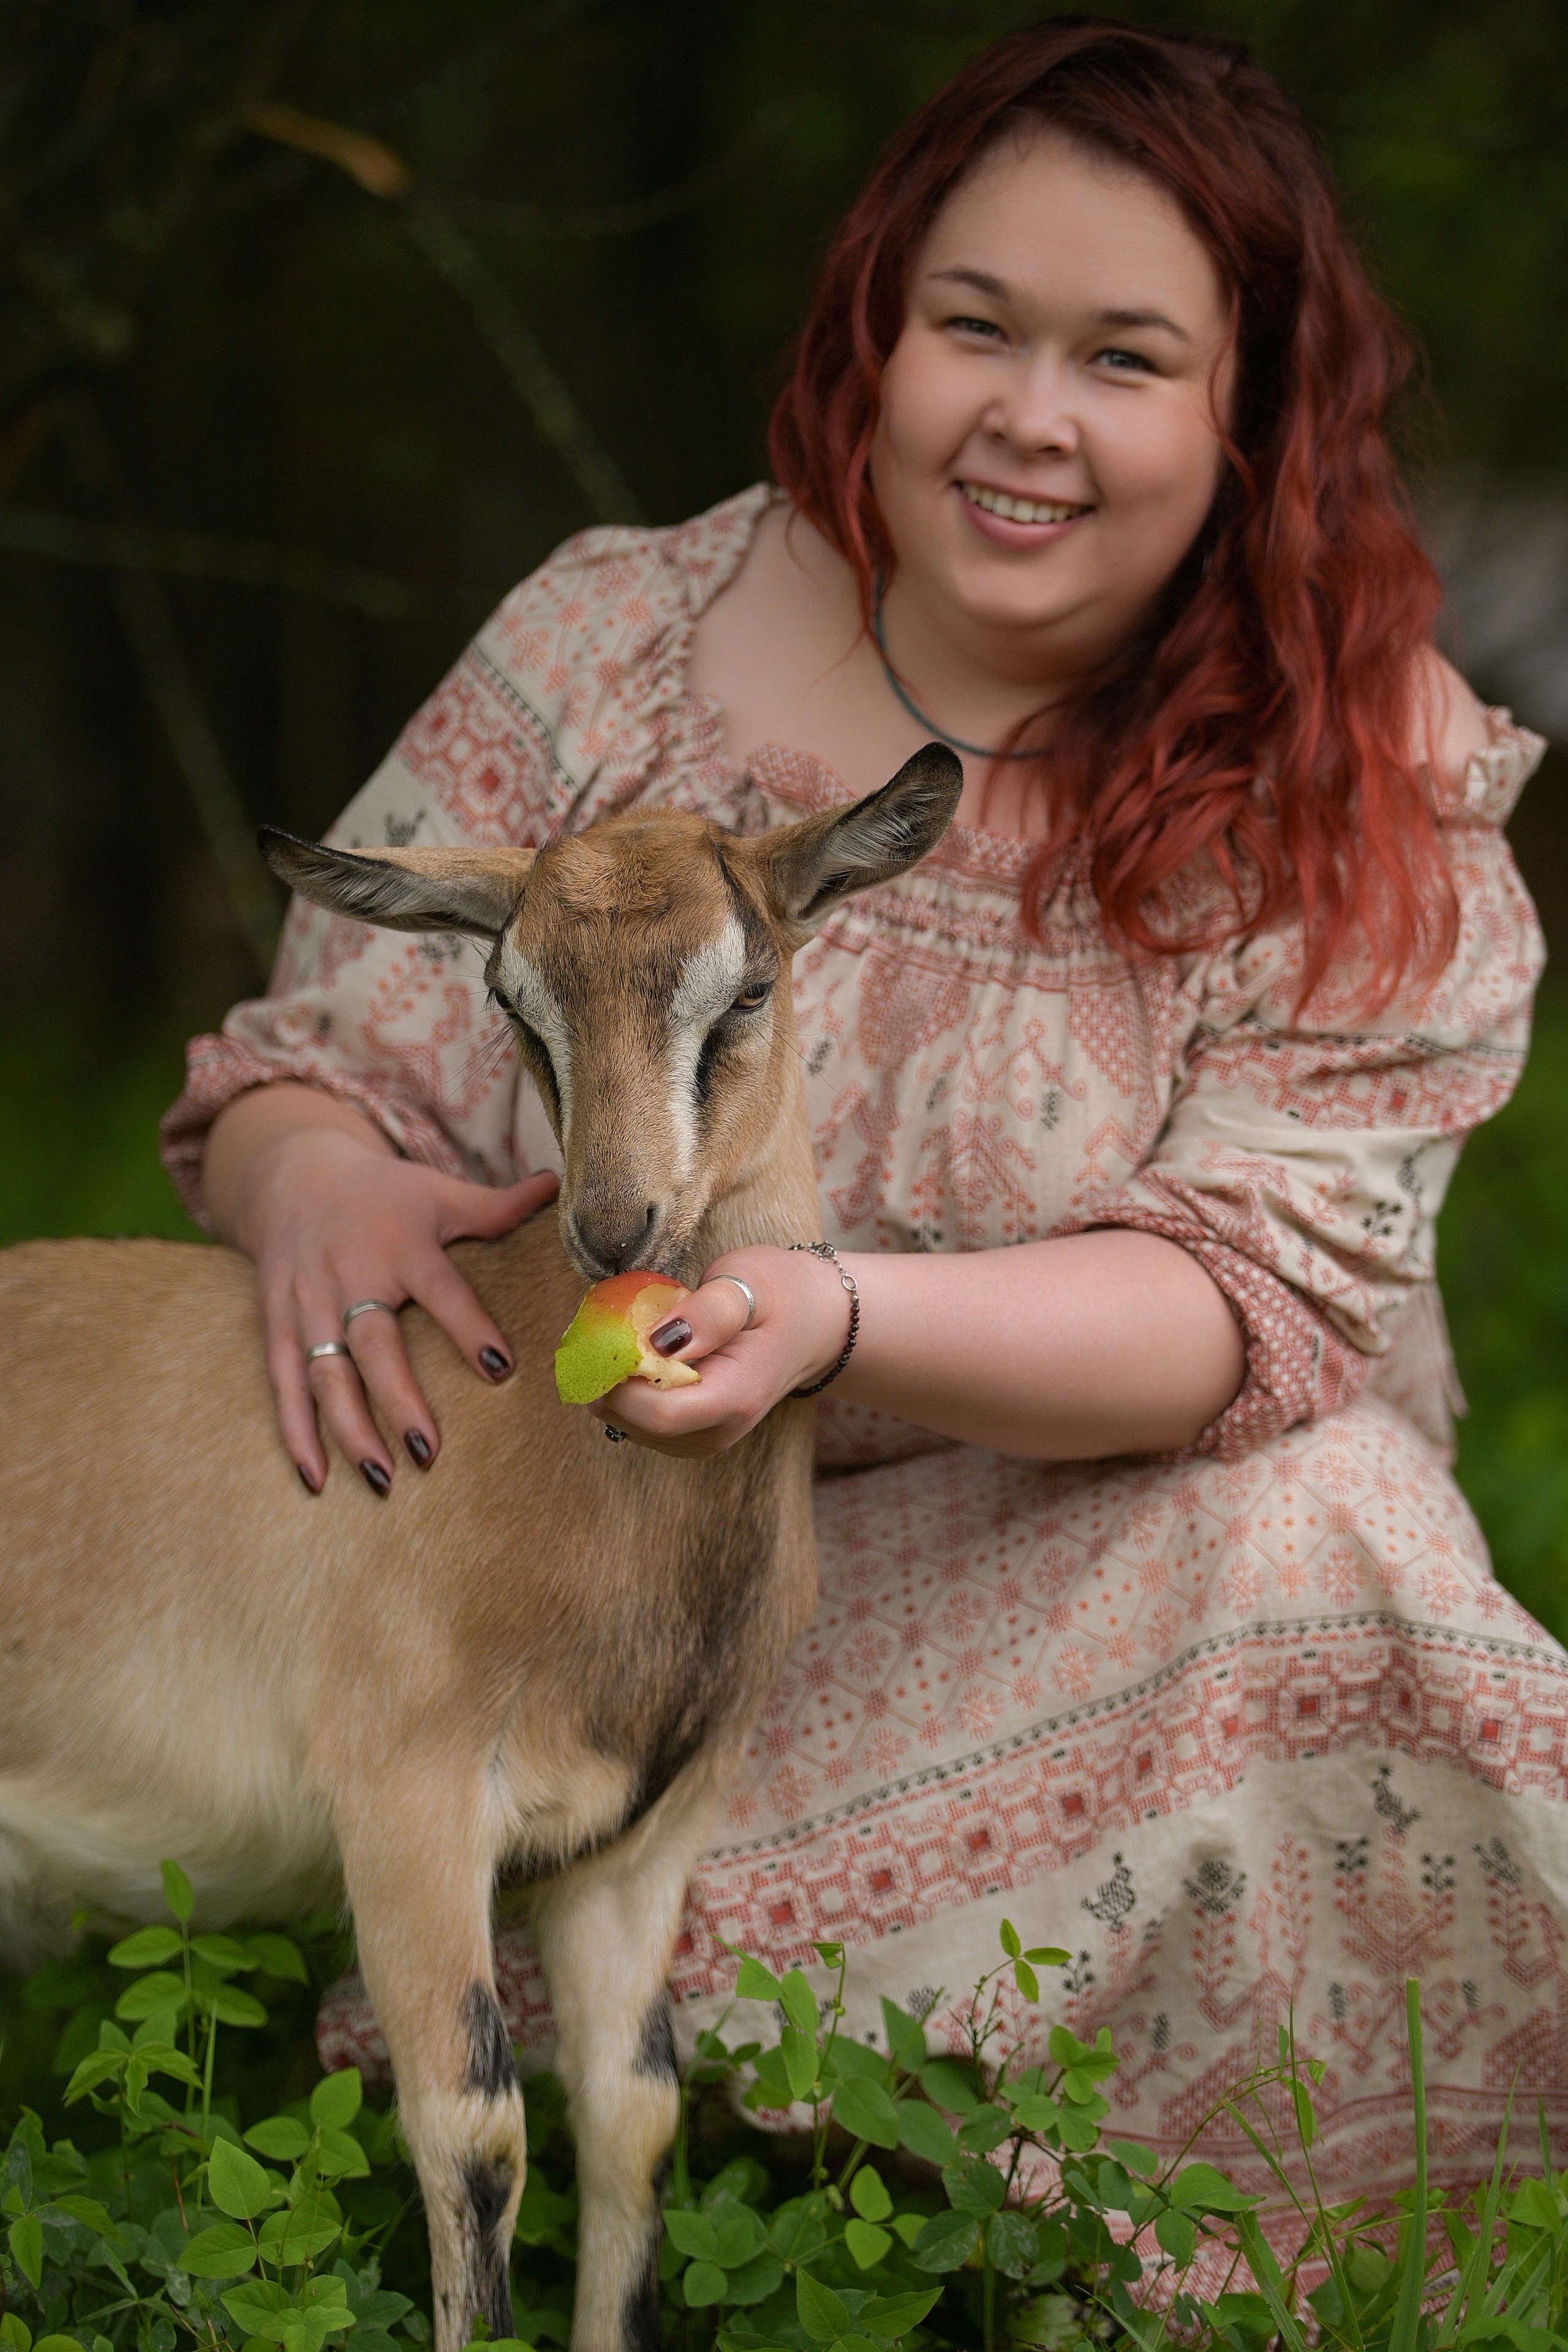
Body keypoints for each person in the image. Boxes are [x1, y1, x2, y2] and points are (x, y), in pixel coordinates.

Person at [164, 21, 1564, 2207]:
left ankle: (1246, 2207)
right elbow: (313, 1054)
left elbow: (1245, 1305)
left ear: (1248, 415)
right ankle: (641, 2065)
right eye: (974, 327)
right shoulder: (627, 633)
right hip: (601, 1586)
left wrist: (829, 1312)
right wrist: (313, 1181)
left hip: (1084, 1577)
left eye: (1126, 358)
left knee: (1331, 1522)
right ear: (877, 336)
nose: (1026, 417)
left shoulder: (1352, 779)